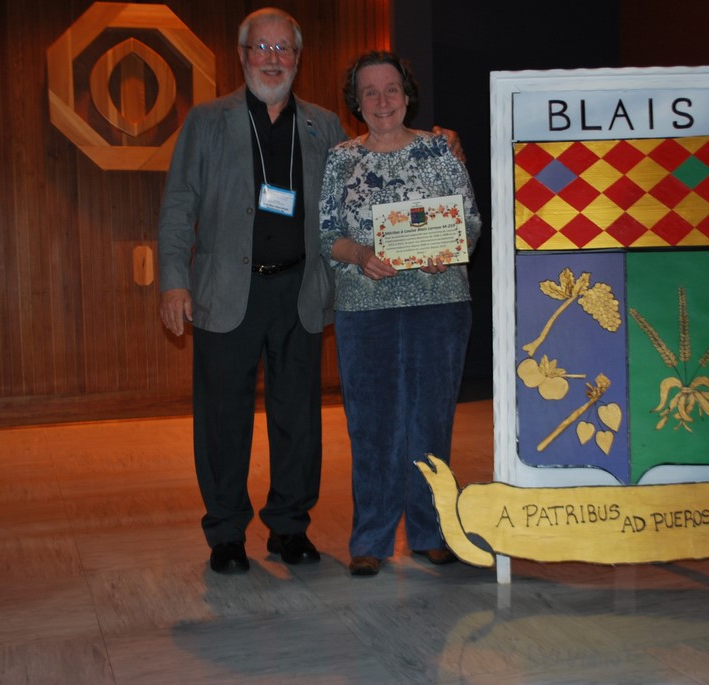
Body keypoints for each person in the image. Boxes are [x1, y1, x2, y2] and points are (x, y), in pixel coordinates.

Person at [158, 9, 463, 575]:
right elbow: (178, 205)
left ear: (297, 59)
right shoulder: (207, 121)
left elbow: (374, 176)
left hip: (299, 289)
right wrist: (174, 281)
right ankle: (226, 533)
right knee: (223, 419)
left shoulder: (325, 128)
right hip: (225, 290)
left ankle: (289, 527)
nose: (272, 59)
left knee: (298, 417)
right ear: (242, 54)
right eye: (261, 47)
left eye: (284, 49)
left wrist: (441, 141)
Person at [319, 51, 482, 576]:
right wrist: (359, 254)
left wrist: (447, 249)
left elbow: (470, 221)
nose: (382, 100)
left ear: (407, 94)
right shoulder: (341, 159)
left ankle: (432, 531)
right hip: (364, 309)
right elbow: (326, 235)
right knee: (371, 425)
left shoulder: (440, 149)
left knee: (431, 421)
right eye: (369, 91)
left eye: (391, 88)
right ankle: (371, 538)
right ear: (356, 102)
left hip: (439, 304)